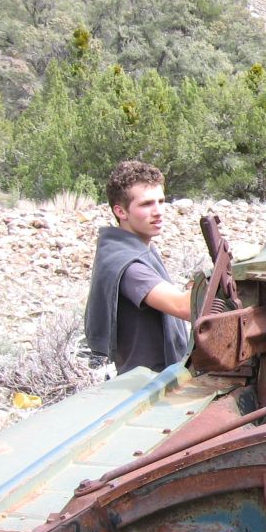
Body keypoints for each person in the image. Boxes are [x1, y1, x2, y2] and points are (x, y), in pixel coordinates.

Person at [84, 160, 191, 375]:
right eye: (146, 204)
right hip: (149, 385)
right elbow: (184, 308)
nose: (158, 211)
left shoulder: (134, 246)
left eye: (161, 201)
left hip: (161, 376)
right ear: (121, 211)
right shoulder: (128, 264)